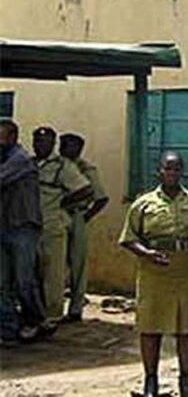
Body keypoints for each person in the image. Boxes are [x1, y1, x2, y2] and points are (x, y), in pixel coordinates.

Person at [119, 152, 188, 397]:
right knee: (150, 327)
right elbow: (129, 238)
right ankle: (150, 381)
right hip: (154, 272)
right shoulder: (143, 203)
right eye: (168, 169)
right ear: (159, 171)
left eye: (176, 169)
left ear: (182, 172)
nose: (172, 173)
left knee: (187, 328)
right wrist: (147, 253)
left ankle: (186, 381)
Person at [32, 126, 91, 325]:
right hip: (31, 226)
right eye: (38, 141)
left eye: (46, 142)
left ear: (52, 144)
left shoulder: (62, 166)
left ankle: (53, 314)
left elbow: (86, 190)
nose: (41, 145)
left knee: (53, 273)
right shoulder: (30, 164)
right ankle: (36, 312)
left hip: (53, 226)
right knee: (34, 273)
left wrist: (63, 203)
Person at [0, 119, 47, 343]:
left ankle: (36, 320)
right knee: (2, 283)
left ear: (12, 137)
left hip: (23, 227)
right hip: (5, 226)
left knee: (23, 280)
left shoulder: (20, 159)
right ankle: (8, 328)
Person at [59, 133, 109, 323]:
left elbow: (101, 198)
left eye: (72, 146)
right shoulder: (55, 166)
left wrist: (86, 217)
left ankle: (75, 308)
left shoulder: (86, 169)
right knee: (53, 263)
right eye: (64, 145)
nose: (67, 150)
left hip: (76, 215)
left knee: (78, 263)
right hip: (55, 215)